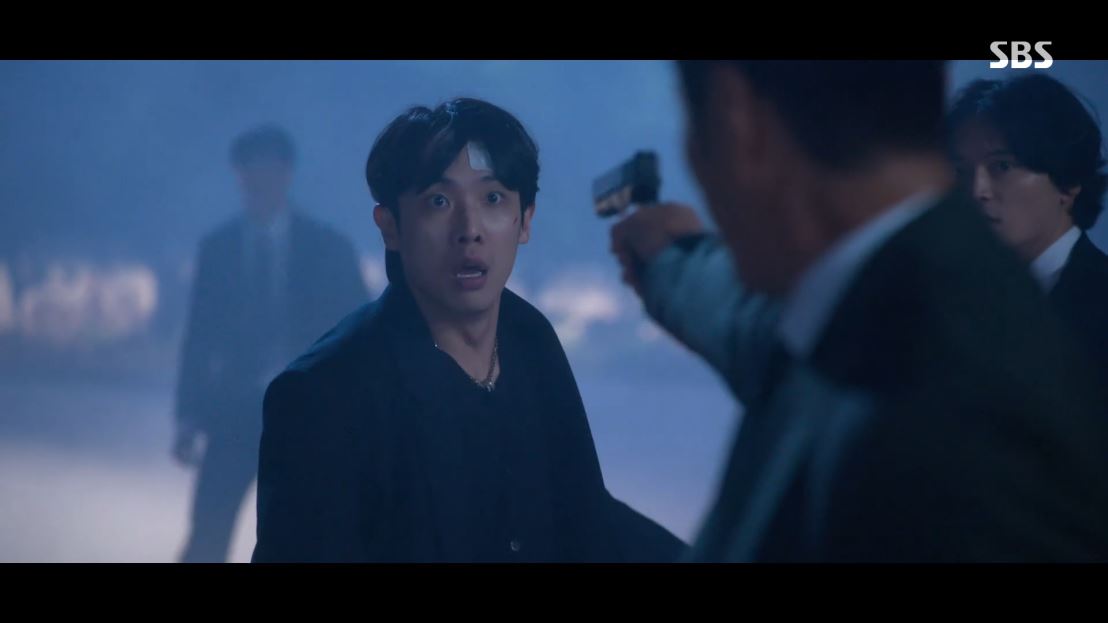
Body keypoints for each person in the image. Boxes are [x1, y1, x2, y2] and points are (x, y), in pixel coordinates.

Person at [609, 61, 1108, 561]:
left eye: (1003, 166)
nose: (979, 188)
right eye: (964, 169)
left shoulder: (935, 389)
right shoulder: (897, 292)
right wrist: (670, 256)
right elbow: (755, 321)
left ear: (738, 119)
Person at [252, 98, 684, 563]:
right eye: (439, 201)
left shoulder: (529, 338)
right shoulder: (323, 394)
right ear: (390, 226)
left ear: (525, 220)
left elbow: (583, 511)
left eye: (493, 198)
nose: (469, 229)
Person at [174, 124, 368, 563]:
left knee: (311, 537)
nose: (258, 180)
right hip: (233, 413)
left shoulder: (329, 250)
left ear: (286, 174)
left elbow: (360, 335)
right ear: (238, 175)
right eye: (249, 170)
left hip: (307, 416)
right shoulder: (218, 249)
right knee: (208, 534)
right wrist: (187, 414)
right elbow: (198, 335)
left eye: (267, 169)